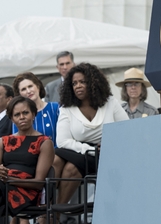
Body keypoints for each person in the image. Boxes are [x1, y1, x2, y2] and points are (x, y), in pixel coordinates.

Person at [0, 96, 54, 224]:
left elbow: (38, 183)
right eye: (17, 115)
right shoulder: (3, 141)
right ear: (12, 119)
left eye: (25, 113)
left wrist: (9, 179)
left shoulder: (44, 142)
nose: (22, 117)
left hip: (26, 191)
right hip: (2, 188)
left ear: (33, 114)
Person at [54, 63, 128, 206]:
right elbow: (62, 141)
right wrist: (89, 150)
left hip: (108, 153)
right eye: (74, 83)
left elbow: (126, 129)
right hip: (81, 152)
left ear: (93, 83)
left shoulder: (110, 103)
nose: (78, 86)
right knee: (59, 160)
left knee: (70, 166)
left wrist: (110, 145)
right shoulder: (67, 108)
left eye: (83, 82)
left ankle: (55, 212)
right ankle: (51, 210)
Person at [12, 72, 60, 144]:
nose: (28, 91)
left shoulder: (55, 108)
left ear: (38, 86)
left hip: (56, 153)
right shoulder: (19, 115)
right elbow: (17, 142)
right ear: (19, 94)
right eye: (23, 89)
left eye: (30, 86)